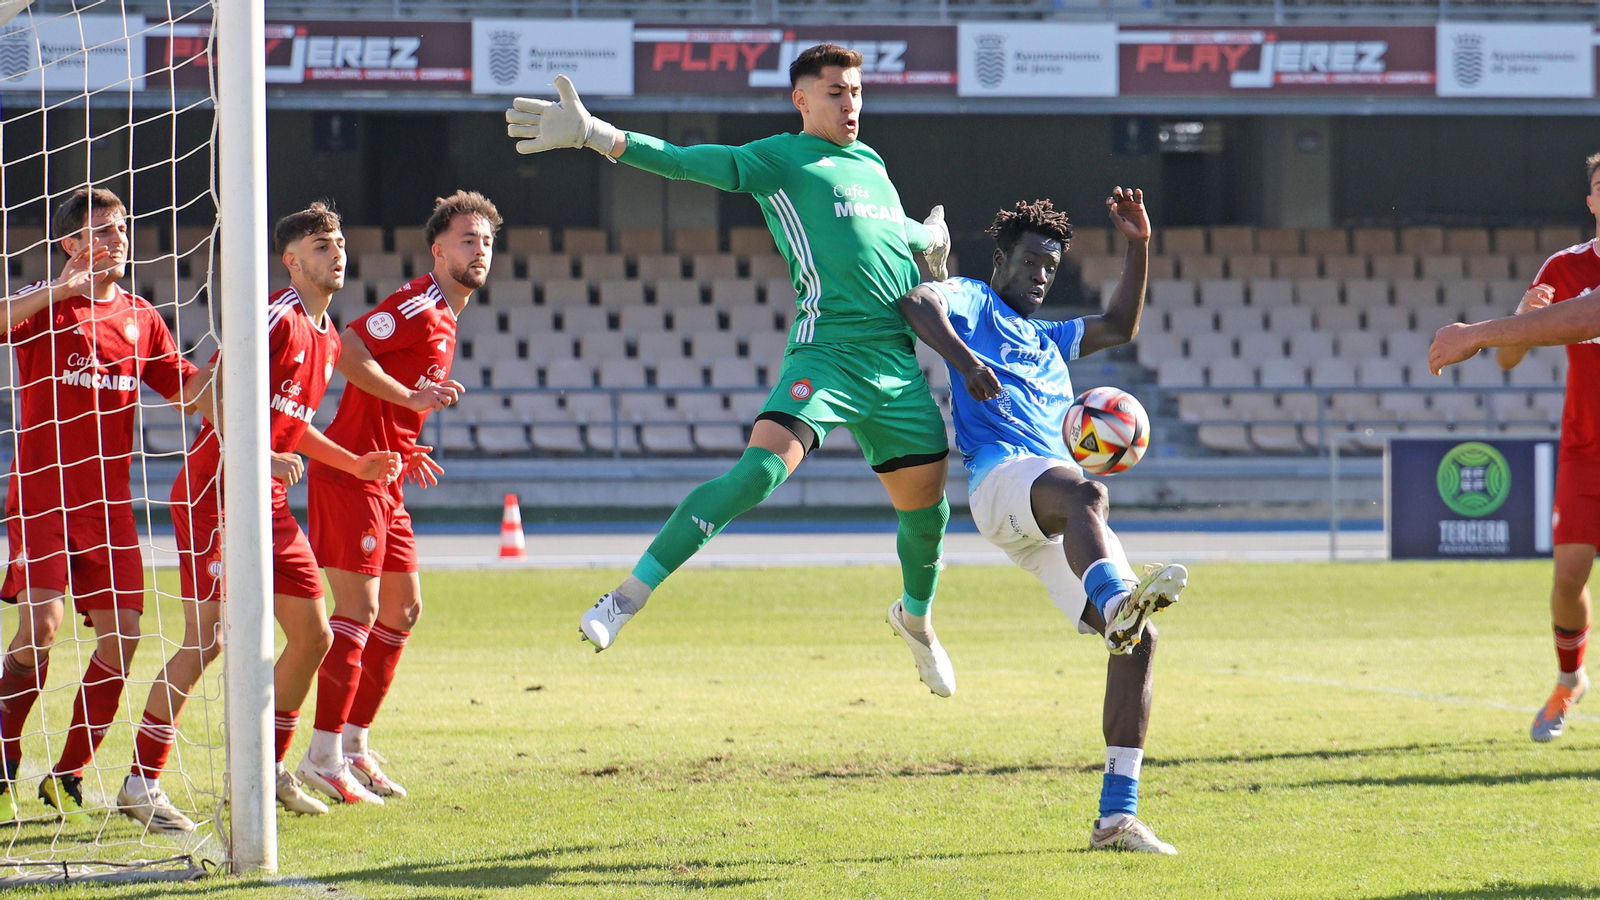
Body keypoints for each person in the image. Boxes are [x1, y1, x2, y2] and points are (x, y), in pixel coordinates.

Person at [504, 45, 960, 695]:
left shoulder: (872, 165)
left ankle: (916, 623)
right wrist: (597, 135)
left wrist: (929, 240)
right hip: (827, 354)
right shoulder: (780, 158)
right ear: (801, 100)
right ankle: (626, 598)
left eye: (855, 91)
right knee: (759, 474)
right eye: (834, 91)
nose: (849, 102)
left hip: (897, 367)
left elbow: (888, 232)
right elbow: (689, 164)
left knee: (929, 517)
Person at [896, 192, 1186, 854]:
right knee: (1090, 497)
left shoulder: (1050, 340)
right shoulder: (974, 299)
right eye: (1029, 261)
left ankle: (1117, 817)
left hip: (1045, 515)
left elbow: (1118, 325)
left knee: (1137, 644)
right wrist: (966, 362)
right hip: (1003, 481)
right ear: (1002, 260)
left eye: (1049, 268)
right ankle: (1118, 600)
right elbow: (918, 303)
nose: (1039, 275)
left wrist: (1139, 245)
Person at [117, 203, 403, 833]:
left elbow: (292, 421)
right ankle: (141, 781)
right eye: (322, 245)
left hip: (267, 501)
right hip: (213, 491)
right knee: (209, 639)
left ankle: (269, 769)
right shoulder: (274, 315)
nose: (338, 252)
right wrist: (258, 454)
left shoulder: (328, 336)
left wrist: (353, 465)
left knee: (315, 635)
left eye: (341, 242)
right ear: (292, 260)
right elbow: (214, 392)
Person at [0, 188, 203, 823]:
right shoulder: (45, 307)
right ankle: (3, 758)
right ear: (69, 244)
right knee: (42, 627)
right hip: (43, 494)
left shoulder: (143, 318)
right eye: (103, 230)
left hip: (109, 506)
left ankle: (68, 774)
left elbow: (191, 393)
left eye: (122, 229)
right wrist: (61, 291)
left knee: (125, 637)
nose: (117, 239)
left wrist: (239, 362)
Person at [297, 190, 497, 804]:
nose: (480, 250)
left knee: (403, 611)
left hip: (388, 475)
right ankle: (322, 755)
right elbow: (348, 346)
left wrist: (405, 438)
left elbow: (389, 386)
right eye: (467, 240)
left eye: (487, 241)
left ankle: (354, 745)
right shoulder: (419, 303)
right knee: (356, 613)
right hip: (350, 474)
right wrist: (410, 402)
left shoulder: (448, 315)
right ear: (438, 251)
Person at [1429, 153, 1600, 740]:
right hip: (1585, 446)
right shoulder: (1565, 266)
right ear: (1591, 201)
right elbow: (1508, 357)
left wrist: (1476, 333)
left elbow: (1586, 318)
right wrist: (1523, 325)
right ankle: (1569, 679)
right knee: (1568, 577)